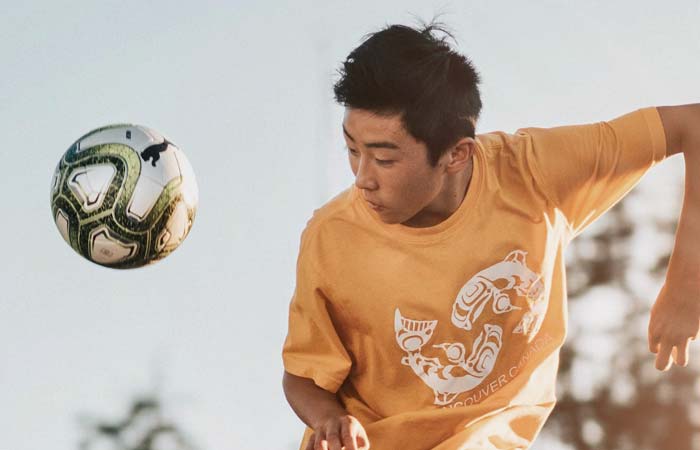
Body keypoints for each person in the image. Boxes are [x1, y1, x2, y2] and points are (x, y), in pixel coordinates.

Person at [281, 21, 700, 450]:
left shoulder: (533, 171)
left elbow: (693, 124)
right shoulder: (332, 239)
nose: (362, 179)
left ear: (456, 155)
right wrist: (331, 421)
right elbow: (301, 377)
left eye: (384, 160)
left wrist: (687, 282)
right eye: (353, 150)